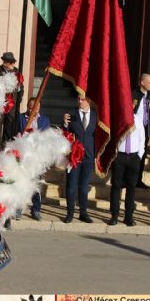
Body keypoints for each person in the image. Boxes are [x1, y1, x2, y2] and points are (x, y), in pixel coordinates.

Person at [62, 96, 96, 224]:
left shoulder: (95, 115)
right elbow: (65, 132)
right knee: (71, 185)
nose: (80, 102)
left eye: (83, 100)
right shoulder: (72, 113)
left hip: (88, 155)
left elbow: (97, 135)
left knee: (84, 186)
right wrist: (65, 123)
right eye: (78, 99)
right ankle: (70, 213)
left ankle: (83, 213)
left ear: (89, 101)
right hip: (74, 156)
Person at [108, 113, 145, 226]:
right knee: (116, 186)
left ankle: (128, 216)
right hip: (120, 156)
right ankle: (114, 216)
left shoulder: (137, 119)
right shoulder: (118, 118)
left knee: (131, 188)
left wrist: (139, 155)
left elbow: (141, 138)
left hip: (133, 156)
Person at [18, 97, 51, 220]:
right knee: (21, 183)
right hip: (24, 156)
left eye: (37, 107)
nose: (35, 109)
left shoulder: (45, 120)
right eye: (32, 107)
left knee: (37, 184)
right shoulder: (20, 118)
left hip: (38, 157)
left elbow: (47, 138)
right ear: (28, 107)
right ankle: (18, 209)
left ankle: (36, 209)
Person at [132, 73, 150, 189]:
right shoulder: (134, 94)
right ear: (142, 82)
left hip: (145, 130)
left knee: (142, 154)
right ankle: (128, 179)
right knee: (131, 154)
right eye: (149, 82)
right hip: (134, 130)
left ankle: (138, 180)